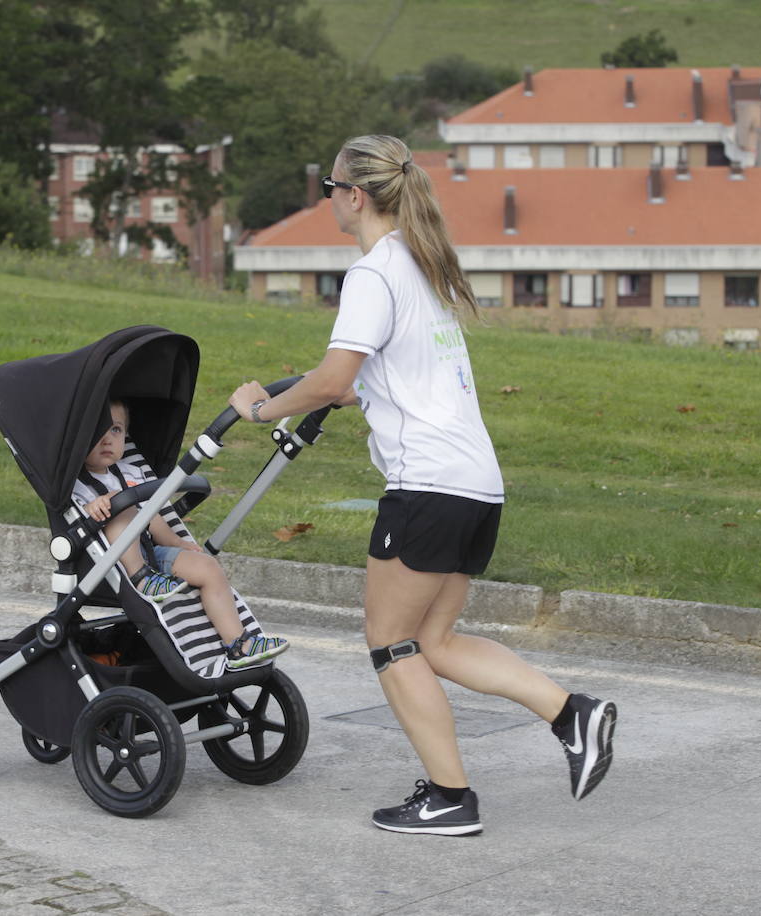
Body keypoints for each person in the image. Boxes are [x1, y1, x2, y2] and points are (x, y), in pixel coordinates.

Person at [230, 135, 616, 835]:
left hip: (428, 487)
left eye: (329, 185)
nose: (328, 197)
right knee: (433, 640)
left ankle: (449, 796)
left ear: (353, 195)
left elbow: (334, 378)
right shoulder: (420, 262)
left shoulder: (373, 274)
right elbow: (381, 378)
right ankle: (571, 713)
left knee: (390, 643)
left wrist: (260, 409)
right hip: (476, 486)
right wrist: (346, 395)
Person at [75, 400, 289, 670]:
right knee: (123, 505)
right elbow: (77, 518)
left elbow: (153, 516)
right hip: (111, 564)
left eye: (116, 430)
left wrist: (176, 542)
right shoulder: (75, 484)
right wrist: (91, 507)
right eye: (97, 432)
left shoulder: (132, 473)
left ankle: (238, 644)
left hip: (151, 554)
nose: (107, 439)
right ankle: (142, 578)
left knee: (208, 568)